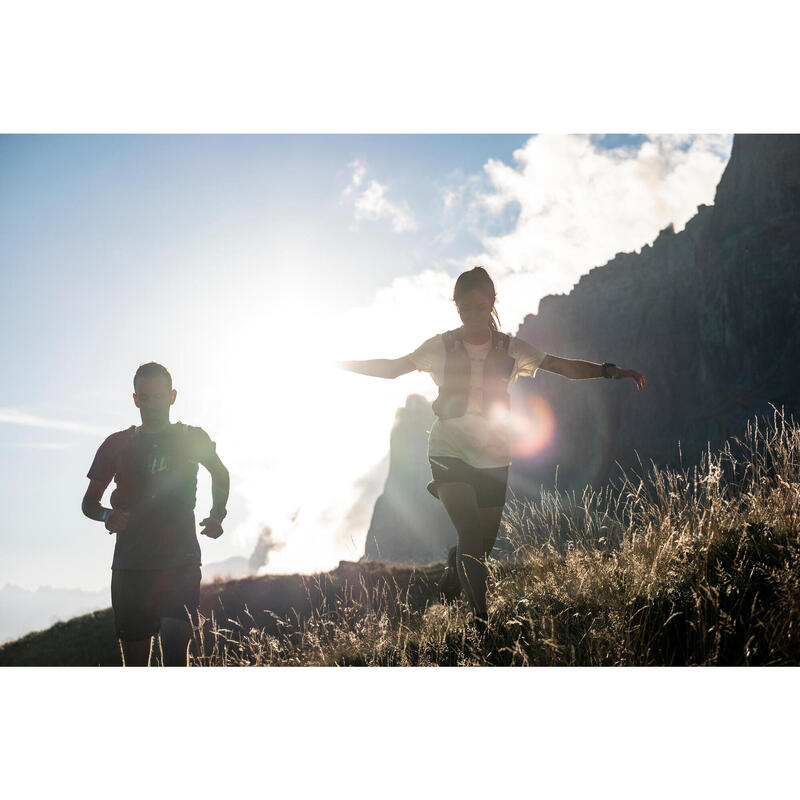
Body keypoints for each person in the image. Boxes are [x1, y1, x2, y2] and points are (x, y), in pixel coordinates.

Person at [340, 267, 646, 630]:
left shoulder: (512, 349)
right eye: (464, 308)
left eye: (479, 306)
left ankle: (458, 565)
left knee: (479, 550)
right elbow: (393, 369)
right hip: (447, 450)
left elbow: (561, 366)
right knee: (470, 533)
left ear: (492, 304)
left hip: (493, 456)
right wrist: (340, 363)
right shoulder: (439, 347)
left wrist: (610, 371)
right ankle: (481, 624)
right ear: (456, 309)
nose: (472, 315)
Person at [81, 362, 230, 666]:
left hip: (180, 562)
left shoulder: (191, 437)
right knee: (136, 666)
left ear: (172, 396)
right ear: (135, 399)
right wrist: (107, 516)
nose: (151, 405)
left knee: (176, 654)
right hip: (131, 567)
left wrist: (217, 514)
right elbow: (89, 503)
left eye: (159, 397)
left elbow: (220, 473)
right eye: (144, 398)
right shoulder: (117, 444)